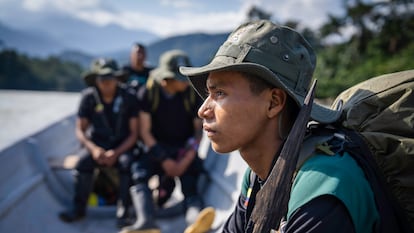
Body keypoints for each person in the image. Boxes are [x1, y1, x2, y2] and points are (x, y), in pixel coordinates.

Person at [179, 20, 379, 233]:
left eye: (220, 93)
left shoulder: (324, 186)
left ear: (274, 102)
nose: (203, 110)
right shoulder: (258, 175)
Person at [120, 50, 215, 233]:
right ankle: (145, 221)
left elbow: (198, 133)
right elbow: (145, 132)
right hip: (156, 148)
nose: (184, 82)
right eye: (179, 78)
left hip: (183, 149)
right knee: (139, 173)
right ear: (166, 80)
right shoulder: (148, 93)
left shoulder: (191, 95)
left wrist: (185, 160)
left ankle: (195, 222)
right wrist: (164, 160)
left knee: (190, 181)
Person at [59, 58, 139, 228]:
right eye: (102, 79)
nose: (106, 83)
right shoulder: (88, 97)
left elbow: (134, 134)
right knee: (82, 163)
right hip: (96, 146)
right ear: (96, 80)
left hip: (122, 147)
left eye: (110, 78)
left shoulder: (129, 97)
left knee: (128, 164)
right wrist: (94, 150)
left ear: (117, 78)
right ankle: (78, 208)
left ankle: (124, 211)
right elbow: (80, 130)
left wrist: (116, 153)